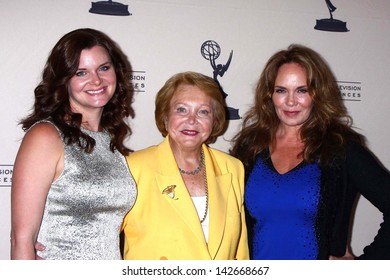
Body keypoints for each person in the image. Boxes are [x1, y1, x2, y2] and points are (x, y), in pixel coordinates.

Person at [230, 44, 390, 260]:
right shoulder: (250, 147)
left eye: (302, 90)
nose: (290, 101)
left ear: (318, 94)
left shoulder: (341, 148)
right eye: (281, 90)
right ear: (269, 94)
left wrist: (364, 266)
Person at [10, 28, 137, 260]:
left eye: (104, 68)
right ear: (63, 80)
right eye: (81, 72)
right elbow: (21, 238)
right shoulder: (46, 136)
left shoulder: (109, 139)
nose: (96, 80)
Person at [121, 71, 249, 260]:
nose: (191, 120)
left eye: (203, 111)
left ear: (214, 121)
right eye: (182, 109)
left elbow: (239, 251)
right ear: (165, 116)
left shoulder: (232, 168)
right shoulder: (133, 168)